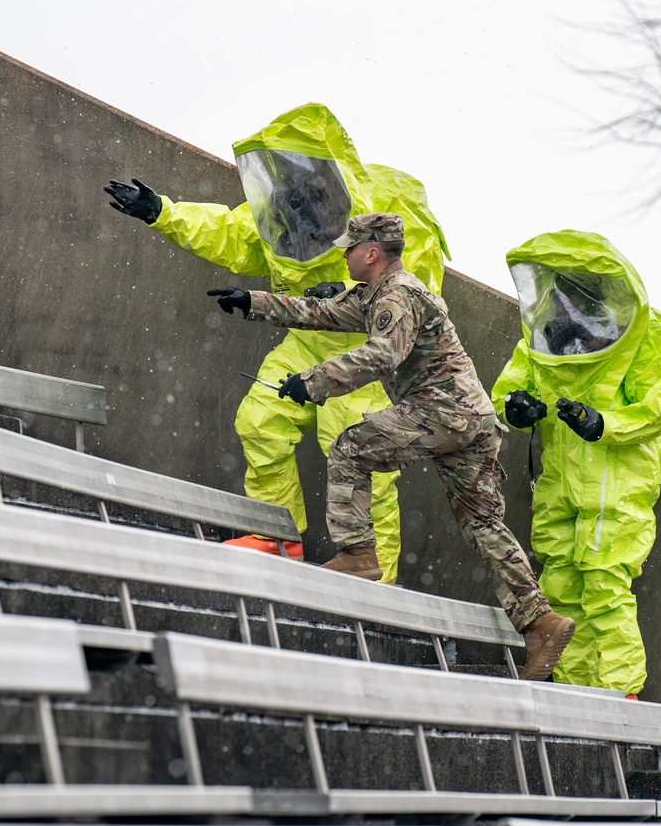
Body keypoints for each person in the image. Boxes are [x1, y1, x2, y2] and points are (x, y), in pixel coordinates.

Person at [208, 213, 576, 683]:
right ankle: (540, 621)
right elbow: (321, 313)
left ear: (372, 253)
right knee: (483, 524)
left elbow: (383, 354)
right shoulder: (382, 295)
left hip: (441, 411)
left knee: (349, 448)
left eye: (349, 248)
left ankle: (359, 554)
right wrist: (252, 301)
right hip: (472, 420)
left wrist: (314, 381)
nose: (342, 254)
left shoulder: (397, 297)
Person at [105, 103, 448, 584]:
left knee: (357, 454)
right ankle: (276, 537)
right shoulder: (284, 212)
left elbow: (420, 288)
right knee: (260, 420)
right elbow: (230, 232)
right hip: (305, 343)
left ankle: (377, 574)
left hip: (363, 357)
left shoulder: (383, 214)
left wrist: (358, 296)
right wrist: (161, 211)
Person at [491, 229, 661, 695]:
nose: (566, 297)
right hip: (561, 476)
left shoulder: (645, 339)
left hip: (618, 480)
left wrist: (602, 423)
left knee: (605, 583)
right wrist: (518, 406)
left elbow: (655, 409)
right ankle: (576, 686)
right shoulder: (546, 337)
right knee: (562, 580)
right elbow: (513, 385)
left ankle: (620, 691)